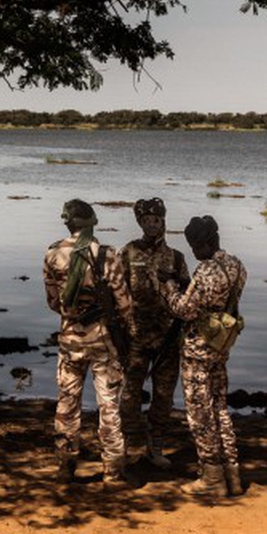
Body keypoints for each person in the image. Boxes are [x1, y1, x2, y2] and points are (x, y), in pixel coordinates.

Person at [161, 214, 248, 497]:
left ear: (206, 243)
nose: (194, 253)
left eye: (196, 247)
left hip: (198, 348)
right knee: (220, 407)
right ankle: (232, 473)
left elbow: (184, 310)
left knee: (200, 412)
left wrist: (170, 288)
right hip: (221, 346)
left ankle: (212, 477)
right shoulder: (237, 265)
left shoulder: (206, 271)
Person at [42, 198, 128, 482]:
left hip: (70, 342)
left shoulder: (53, 253)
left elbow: (53, 302)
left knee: (67, 404)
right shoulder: (107, 255)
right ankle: (113, 471)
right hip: (104, 342)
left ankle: (65, 466)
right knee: (109, 407)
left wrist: (72, 317)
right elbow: (125, 304)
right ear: (92, 223)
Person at [110, 196, 190, 468]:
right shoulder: (128, 252)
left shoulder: (176, 257)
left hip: (168, 338)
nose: (152, 225)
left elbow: (188, 293)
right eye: (146, 220)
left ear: (163, 222)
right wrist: (120, 330)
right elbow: (116, 290)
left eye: (156, 220)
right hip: (136, 337)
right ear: (140, 223)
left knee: (164, 395)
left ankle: (156, 446)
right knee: (129, 394)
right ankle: (129, 444)